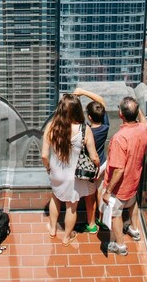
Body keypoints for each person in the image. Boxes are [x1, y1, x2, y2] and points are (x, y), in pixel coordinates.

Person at [42, 93, 101, 245]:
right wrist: (97, 166)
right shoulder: (84, 129)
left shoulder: (51, 126)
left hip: (56, 172)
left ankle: (53, 229)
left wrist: (49, 168)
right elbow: (94, 156)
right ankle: (67, 237)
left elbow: (44, 155)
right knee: (71, 206)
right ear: (77, 110)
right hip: (73, 176)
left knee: (55, 199)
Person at [102, 96, 147, 256]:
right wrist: (140, 111)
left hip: (120, 185)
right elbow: (145, 124)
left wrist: (108, 191)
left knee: (116, 214)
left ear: (121, 114)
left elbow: (119, 169)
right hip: (134, 179)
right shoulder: (143, 129)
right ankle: (135, 229)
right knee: (132, 202)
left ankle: (120, 245)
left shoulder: (119, 139)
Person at [73, 87, 109, 234]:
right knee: (101, 191)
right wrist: (83, 92)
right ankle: (102, 218)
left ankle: (91, 224)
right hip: (103, 164)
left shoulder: (86, 130)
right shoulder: (106, 126)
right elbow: (101, 101)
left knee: (90, 198)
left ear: (90, 118)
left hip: (91, 167)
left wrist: (77, 97)